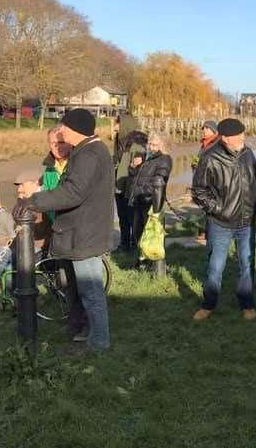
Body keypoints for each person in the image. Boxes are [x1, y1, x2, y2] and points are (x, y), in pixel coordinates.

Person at [16, 108, 115, 352]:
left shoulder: (88, 154)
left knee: (90, 290)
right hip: (86, 230)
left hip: (84, 232)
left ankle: (99, 342)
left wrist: (34, 199)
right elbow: (73, 189)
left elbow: (73, 193)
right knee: (88, 289)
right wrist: (39, 192)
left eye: (64, 127)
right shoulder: (90, 151)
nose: (61, 131)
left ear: (76, 129)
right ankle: (94, 336)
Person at [191, 118, 256, 321]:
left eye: (243, 133)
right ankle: (208, 304)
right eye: (238, 135)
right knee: (215, 266)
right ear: (225, 138)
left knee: (247, 264)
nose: (243, 137)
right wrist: (218, 209)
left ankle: (247, 303)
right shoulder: (210, 157)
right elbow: (198, 190)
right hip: (220, 223)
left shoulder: (248, 153)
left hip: (247, 220)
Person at [127, 132, 173, 269]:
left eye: (154, 145)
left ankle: (154, 265)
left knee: (151, 236)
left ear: (162, 145)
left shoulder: (164, 159)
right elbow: (134, 176)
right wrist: (133, 166)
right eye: (150, 144)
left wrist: (140, 190)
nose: (150, 147)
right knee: (137, 233)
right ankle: (142, 261)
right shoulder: (147, 158)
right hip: (139, 201)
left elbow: (159, 181)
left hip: (151, 203)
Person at [114, 123, 147, 252]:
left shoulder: (136, 144)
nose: (114, 126)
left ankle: (133, 245)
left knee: (132, 218)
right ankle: (124, 244)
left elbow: (138, 168)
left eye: (117, 123)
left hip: (129, 188)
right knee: (123, 218)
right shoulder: (121, 142)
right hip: (119, 187)